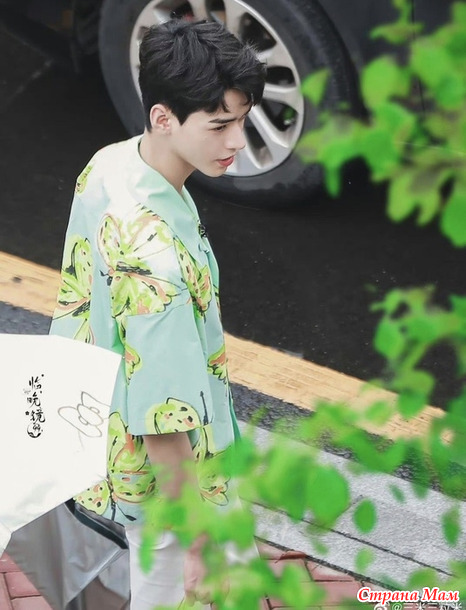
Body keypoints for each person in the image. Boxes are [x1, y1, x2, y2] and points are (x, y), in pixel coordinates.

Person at [50, 18, 266, 610]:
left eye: (241, 120)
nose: (237, 141)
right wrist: (199, 538)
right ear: (164, 117)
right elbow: (163, 421)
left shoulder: (111, 164)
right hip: (176, 483)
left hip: (111, 432)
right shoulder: (155, 266)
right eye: (219, 125)